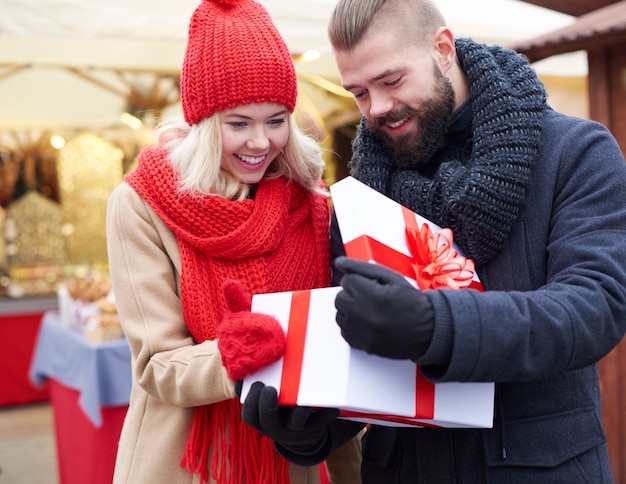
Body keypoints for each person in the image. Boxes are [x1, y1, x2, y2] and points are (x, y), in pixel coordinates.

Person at [240, 0, 626, 482]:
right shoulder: (362, 190)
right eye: (359, 92)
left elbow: (594, 308)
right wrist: (307, 427)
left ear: (442, 48)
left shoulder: (576, 151)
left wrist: (433, 324)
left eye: (392, 81)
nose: (377, 107)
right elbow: (360, 353)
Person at [105, 0, 363, 483]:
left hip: (294, 455)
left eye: (275, 120)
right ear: (203, 125)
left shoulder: (312, 203)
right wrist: (233, 356)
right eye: (238, 123)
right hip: (190, 462)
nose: (261, 142)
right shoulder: (141, 205)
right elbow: (157, 365)